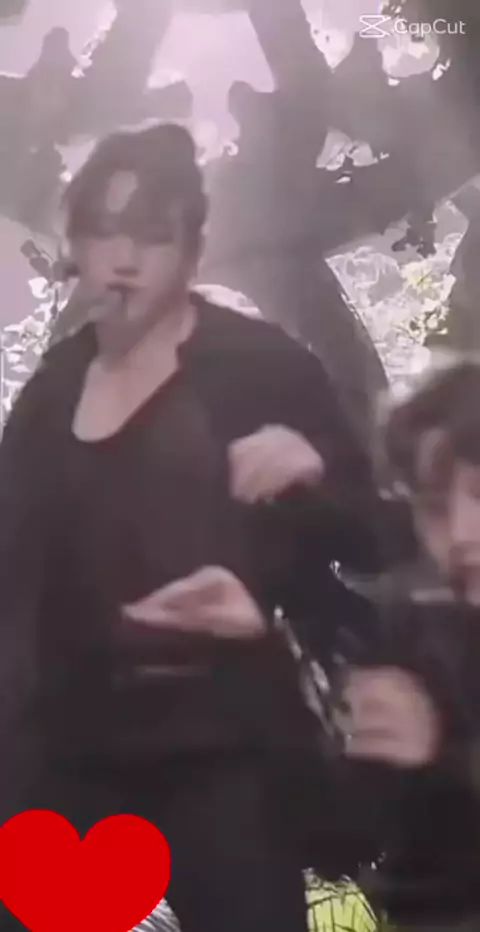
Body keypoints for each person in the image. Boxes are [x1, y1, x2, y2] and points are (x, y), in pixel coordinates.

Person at [0, 123, 394, 932]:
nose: (124, 258)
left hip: (227, 742)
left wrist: (313, 468)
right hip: (71, 745)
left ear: (192, 248)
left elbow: (381, 538)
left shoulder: (261, 367)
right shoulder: (51, 392)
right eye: (103, 231)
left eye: (152, 234)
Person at [343, 360, 480, 931]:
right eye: (434, 505)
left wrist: (442, 754)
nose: (462, 533)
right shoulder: (412, 630)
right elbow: (344, 838)